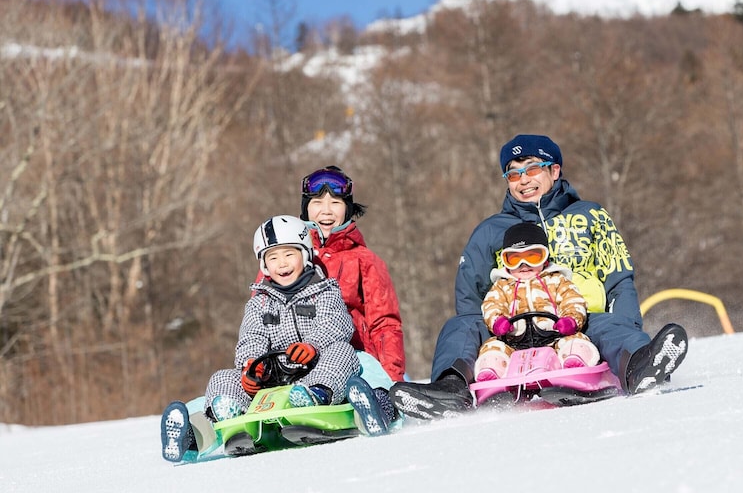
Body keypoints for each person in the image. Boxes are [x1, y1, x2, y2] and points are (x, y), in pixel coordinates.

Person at [391, 134, 687, 419]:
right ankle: (451, 388)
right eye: (514, 174)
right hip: (510, 329)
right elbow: (470, 295)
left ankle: (640, 365)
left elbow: (619, 278)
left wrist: (628, 329)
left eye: (532, 169)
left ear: (554, 170)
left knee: (610, 325)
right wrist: (488, 339)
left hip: (578, 322)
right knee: (458, 326)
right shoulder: (491, 230)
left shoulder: (590, 215)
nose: (524, 180)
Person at [160, 215, 391, 461]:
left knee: (343, 354)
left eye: (289, 255)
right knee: (222, 377)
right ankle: (222, 417)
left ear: (304, 255)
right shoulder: (259, 301)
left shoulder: (325, 291)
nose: (282, 264)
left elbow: (337, 323)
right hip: (271, 379)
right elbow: (251, 336)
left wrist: (312, 346)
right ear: (264, 265)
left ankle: (316, 396)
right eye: (273, 258)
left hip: (313, 370)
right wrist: (251, 366)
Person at [296, 165, 406, 383]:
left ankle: (371, 400)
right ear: (306, 208)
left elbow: (385, 325)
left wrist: (391, 380)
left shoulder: (364, 261)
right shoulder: (287, 256)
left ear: (347, 209)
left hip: (352, 359)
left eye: (335, 203)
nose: (326, 211)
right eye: (317, 203)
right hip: (295, 359)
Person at [474, 222, 600, 382]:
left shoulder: (556, 280)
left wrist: (570, 320)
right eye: (515, 259)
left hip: (554, 338)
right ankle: (492, 371)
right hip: (514, 341)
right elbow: (491, 305)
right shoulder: (502, 286)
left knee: (576, 340)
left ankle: (575, 362)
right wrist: (498, 322)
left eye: (532, 257)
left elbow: (573, 300)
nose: (524, 265)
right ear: (505, 261)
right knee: (492, 347)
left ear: (545, 258)